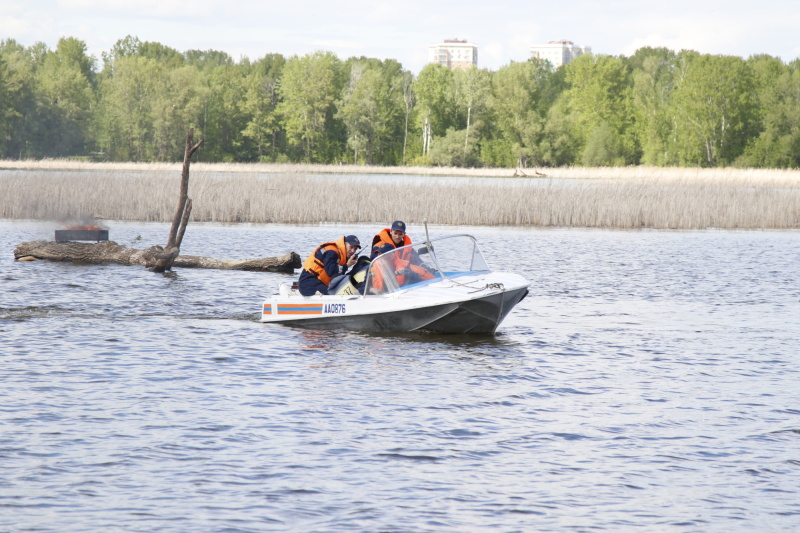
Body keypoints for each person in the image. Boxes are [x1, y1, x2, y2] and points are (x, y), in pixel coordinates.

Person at [369, 220, 434, 288]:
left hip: (404, 274)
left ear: (404, 234)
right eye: (395, 233)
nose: (397, 236)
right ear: (391, 231)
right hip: (387, 275)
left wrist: (427, 269)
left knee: (417, 276)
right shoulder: (379, 246)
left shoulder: (407, 247)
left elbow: (416, 259)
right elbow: (375, 261)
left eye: (400, 234)